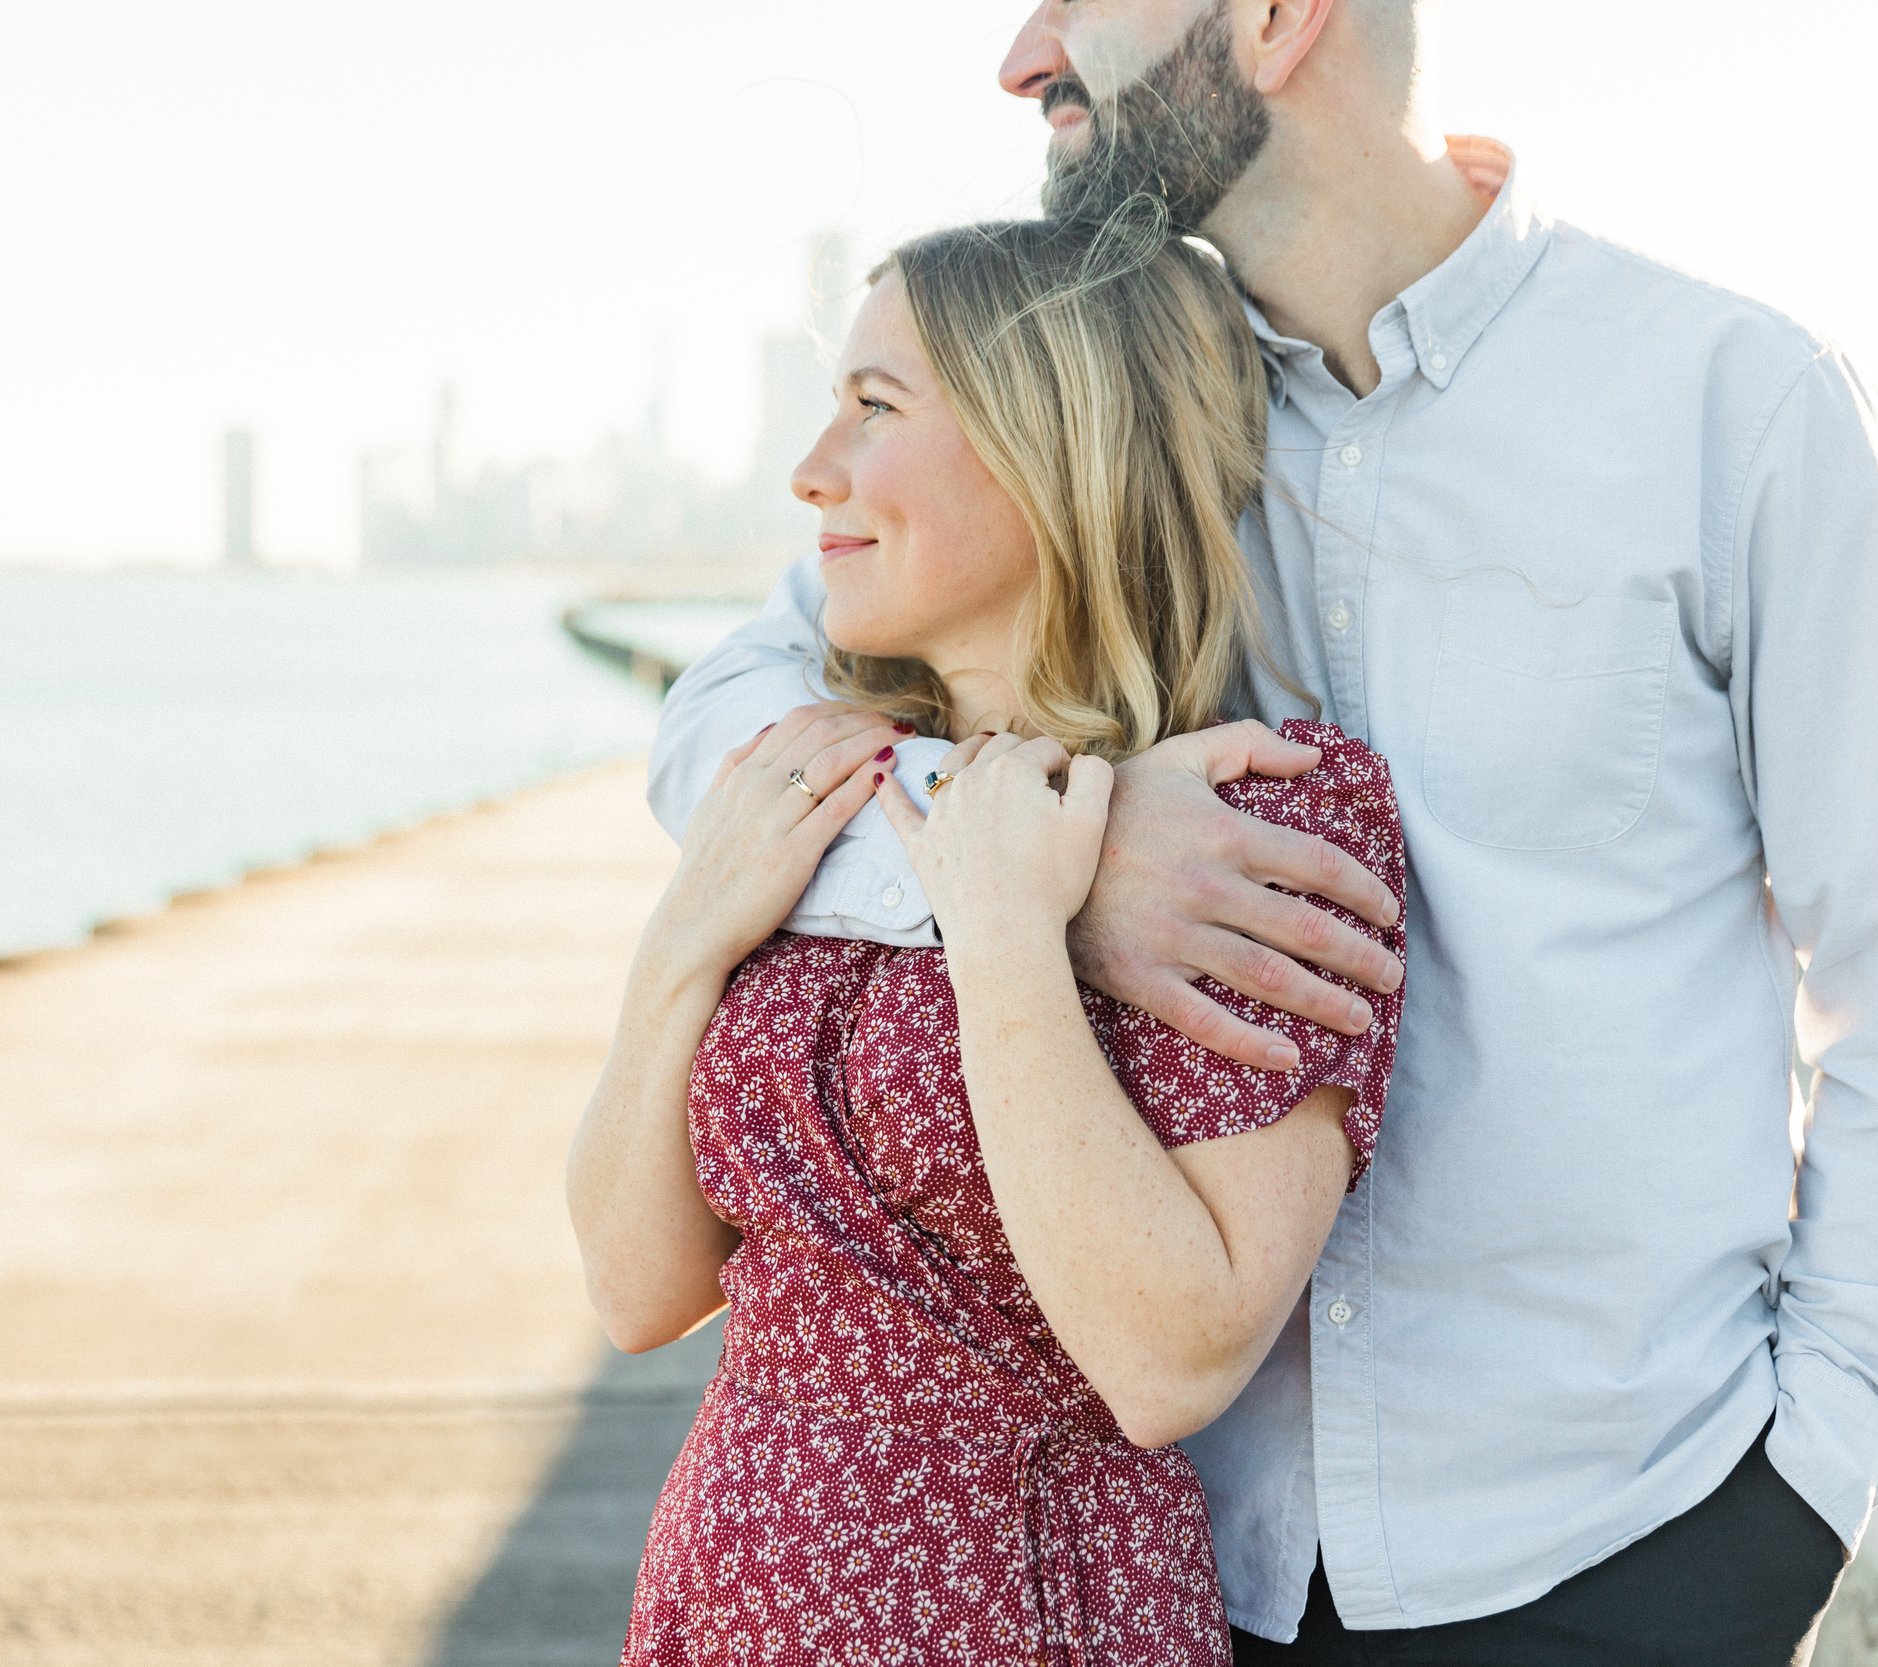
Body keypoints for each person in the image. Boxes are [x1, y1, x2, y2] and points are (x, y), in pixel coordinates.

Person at [649, 1, 1878, 1661]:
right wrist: (1027, 860)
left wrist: (1806, 1489)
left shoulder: (1730, 405)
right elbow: (723, 709)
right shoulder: (1126, 420)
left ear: (1272, 18)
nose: (1024, 56)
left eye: (1077, 4)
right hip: (1177, 1562)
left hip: (1627, 1545)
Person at [569, 216, 1408, 1664]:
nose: (811, 468)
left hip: (1017, 1613)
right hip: (727, 1604)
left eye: (874, 409)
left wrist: (1010, 932)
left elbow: (1168, 1360)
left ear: (1046, 445)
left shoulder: (1259, 826)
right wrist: (680, 949)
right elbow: (639, 1290)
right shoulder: (829, 784)